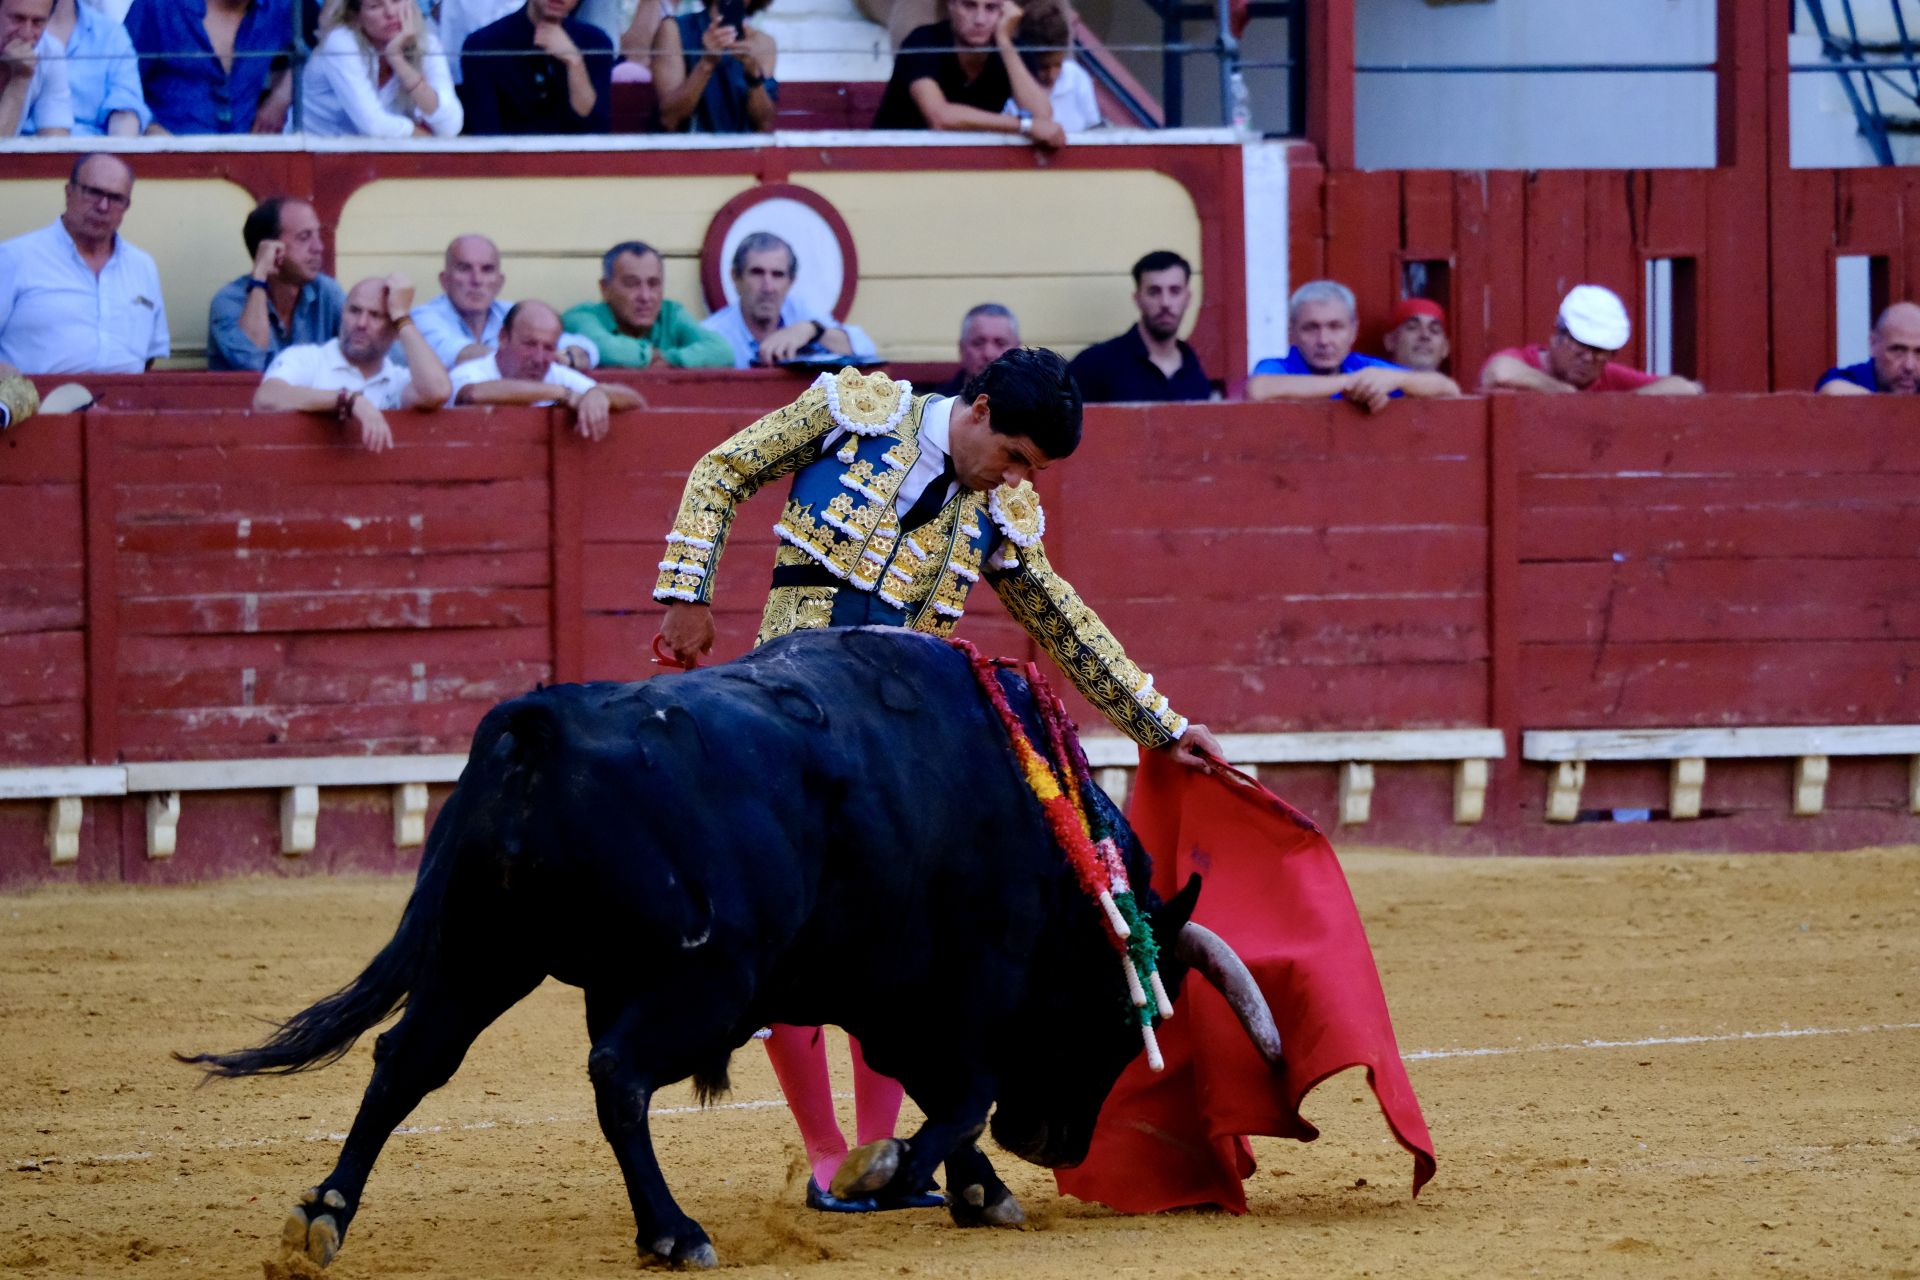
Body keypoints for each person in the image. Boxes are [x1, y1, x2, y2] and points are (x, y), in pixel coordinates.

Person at [652, 353, 1225, 1211]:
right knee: (786, 924)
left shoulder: (1000, 508)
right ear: (978, 409)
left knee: (895, 944)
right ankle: (823, 1151)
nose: (1018, 477)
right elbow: (723, 469)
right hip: (788, 719)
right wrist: (686, 591)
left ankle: (882, 1153)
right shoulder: (853, 411)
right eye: (1017, 454)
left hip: (895, 754)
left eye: (1033, 467)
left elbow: (1061, 620)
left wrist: (1165, 726)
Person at [0, 154, 169, 375]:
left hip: (125, 404)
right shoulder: (14, 257)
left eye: (116, 198)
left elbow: (148, 357)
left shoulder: (142, 266)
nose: (103, 206)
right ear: (69, 193)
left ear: (127, 206)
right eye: (93, 192)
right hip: (37, 405)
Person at [252, 274, 452, 452]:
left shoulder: (398, 380)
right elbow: (267, 397)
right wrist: (347, 400)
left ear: (394, 330)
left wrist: (401, 316)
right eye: (354, 311)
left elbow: (438, 390)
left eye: (375, 315)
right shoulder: (307, 359)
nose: (361, 323)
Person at [872, 0, 1060, 147]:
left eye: (991, 8)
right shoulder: (923, 41)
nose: (979, 19)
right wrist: (1022, 126)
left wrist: (1004, 41)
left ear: (1005, 11)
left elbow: (1042, 116)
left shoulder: (1014, 50)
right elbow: (939, 117)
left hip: (964, 166)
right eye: (969, 5)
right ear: (951, 5)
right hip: (894, 159)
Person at [1247, 280, 1460, 410]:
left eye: (1335, 327)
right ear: (1291, 333)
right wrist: (1353, 384)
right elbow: (1259, 389)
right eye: (1311, 328)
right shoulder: (1278, 367)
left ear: (1353, 331)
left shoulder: (1364, 367)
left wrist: (1397, 379)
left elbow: (1448, 389)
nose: (1324, 340)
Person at [448, 299, 643, 440]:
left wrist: (599, 393)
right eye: (529, 344)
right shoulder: (470, 372)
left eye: (549, 347)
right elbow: (474, 393)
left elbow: (636, 401)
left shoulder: (556, 374)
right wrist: (563, 394)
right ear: (503, 338)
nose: (539, 358)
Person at [410, 233, 595, 369]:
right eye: (465, 268)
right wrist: (543, 357)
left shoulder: (512, 313)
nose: (477, 280)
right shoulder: (423, 317)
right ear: (445, 280)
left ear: (499, 283)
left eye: (487, 270)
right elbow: (458, 355)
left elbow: (586, 347)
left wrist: (571, 354)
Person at [1479, 284, 1703, 395]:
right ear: (1557, 336)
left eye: (1600, 351)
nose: (1588, 358)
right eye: (1580, 345)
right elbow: (1500, 371)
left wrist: (1618, 406)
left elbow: (1686, 388)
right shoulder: (1524, 361)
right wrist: (1562, 392)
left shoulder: (1607, 375)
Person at [208, 196, 345, 372]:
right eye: (304, 237)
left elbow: (383, 358)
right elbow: (250, 364)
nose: (318, 247)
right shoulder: (229, 301)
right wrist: (259, 278)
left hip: (314, 400)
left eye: (318, 234)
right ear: (270, 247)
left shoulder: (326, 292)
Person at [700, 232, 876, 368]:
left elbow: (866, 349)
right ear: (735, 277)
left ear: (791, 282)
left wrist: (812, 330)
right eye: (757, 273)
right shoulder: (712, 333)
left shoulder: (799, 311)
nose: (768, 287)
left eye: (778, 275)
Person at [125, 0, 294, 135]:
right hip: (166, 162)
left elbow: (311, 50)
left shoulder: (279, 9)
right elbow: (117, 81)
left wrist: (280, 98)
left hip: (243, 162)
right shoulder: (157, 6)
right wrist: (147, 126)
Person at [1066, 250, 1211, 403]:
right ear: (1137, 298)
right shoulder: (1095, 364)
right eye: (1154, 292)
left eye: (1175, 291)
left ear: (1187, 298)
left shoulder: (1195, 370)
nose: (1165, 303)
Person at [563, 241, 733, 369]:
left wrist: (669, 358)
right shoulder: (581, 317)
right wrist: (649, 355)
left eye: (653, 284)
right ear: (605, 288)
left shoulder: (671, 313)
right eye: (632, 284)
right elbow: (606, 350)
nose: (645, 296)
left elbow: (722, 351)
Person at [302, 0, 462, 136]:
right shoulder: (340, 42)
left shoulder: (426, 43)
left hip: (377, 158)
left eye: (396, 0)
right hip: (314, 156)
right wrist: (426, 142)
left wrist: (398, 60)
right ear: (355, 18)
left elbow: (450, 126)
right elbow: (373, 125)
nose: (391, 13)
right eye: (375, 6)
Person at [459, 0, 613, 135]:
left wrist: (575, 62)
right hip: (507, 162)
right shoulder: (483, 46)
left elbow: (595, 131)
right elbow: (484, 135)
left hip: (576, 164)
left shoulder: (596, 43)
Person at [650, 0, 775, 134]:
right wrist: (707, 62)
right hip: (686, 148)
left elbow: (763, 122)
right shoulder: (674, 30)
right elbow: (669, 118)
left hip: (741, 150)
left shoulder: (763, 43)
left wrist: (753, 72)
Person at [32, 0, 146, 135]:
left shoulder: (111, 35)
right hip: (24, 148)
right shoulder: (16, 29)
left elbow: (126, 111)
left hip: (96, 150)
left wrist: (116, 153)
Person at [1001, 0, 1097, 131]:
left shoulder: (1076, 76)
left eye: (1058, 65)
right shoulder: (1010, 81)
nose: (1052, 76)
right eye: (1043, 67)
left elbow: (1095, 129)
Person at [1817, 301, 1920, 395]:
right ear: (1873, 344)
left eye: (1919, 352)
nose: (1909, 366)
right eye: (1898, 350)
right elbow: (1831, 389)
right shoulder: (1857, 378)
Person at [0, 0, 71, 137]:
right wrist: (19, 80)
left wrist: (21, 76)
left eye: (38, 22)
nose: (26, 33)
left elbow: (56, 141)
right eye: (17, 19)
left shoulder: (50, 51)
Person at [932, 301, 1019, 395]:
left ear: (1017, 351)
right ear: (961, 349)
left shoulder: (1034, 405)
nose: (988, 354)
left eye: (1000, 343)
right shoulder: (937, 406)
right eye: (978, 343)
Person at [1379, 296, 1450, 374]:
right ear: (1390, 341)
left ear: (1445, 348)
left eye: (1434, 330)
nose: (1425, 335)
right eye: (1412, 327)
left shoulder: (1451, 386)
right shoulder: (1368, 382)